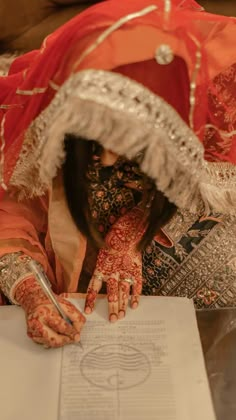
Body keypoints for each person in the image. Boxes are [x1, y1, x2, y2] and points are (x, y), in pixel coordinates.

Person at [0, 0, 236, 348]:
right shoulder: (48, 126)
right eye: (96, 140)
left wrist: (137, 226)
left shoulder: (212, 107)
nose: (108, 160)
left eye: (128, 141)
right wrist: (31, 291)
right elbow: (12, 214)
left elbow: (217, 183)